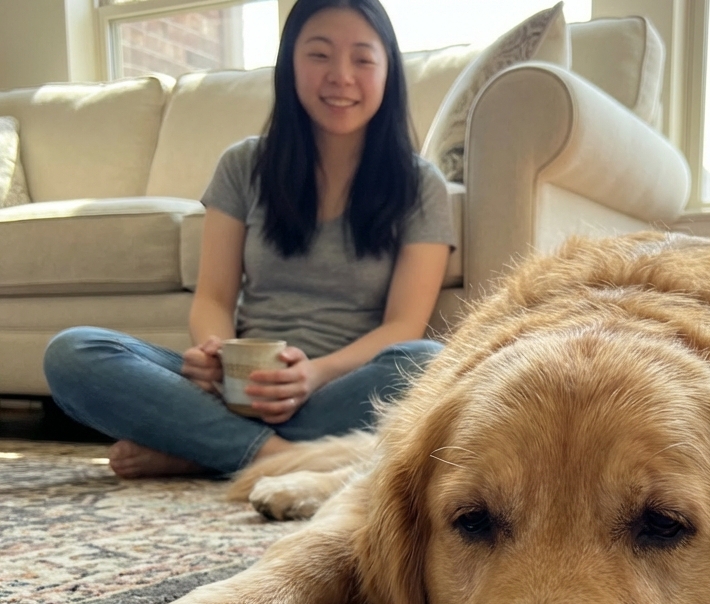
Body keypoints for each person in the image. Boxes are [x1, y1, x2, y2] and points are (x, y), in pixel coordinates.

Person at [44, 0, 454, 479]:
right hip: (238, 387)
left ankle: (202, 449)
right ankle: (273, 457)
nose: (341, 75)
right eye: (319, 55)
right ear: (289, 65)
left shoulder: (421, 185)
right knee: (73, 353)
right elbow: (214, 296)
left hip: (337, 388)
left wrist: (313, 373)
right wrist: (218, 356)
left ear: (388, 72)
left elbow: (403, 326)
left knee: (427, 363)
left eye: (363, 58)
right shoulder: (243, 165)